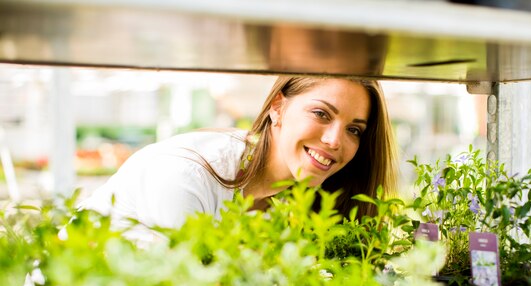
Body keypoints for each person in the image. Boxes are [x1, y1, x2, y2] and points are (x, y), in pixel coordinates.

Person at [79, 75, 398, 244]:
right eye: (320, 113)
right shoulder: (187, 175)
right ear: (278, 107)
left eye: (354, 129)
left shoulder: (290, 198)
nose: (334, 141)